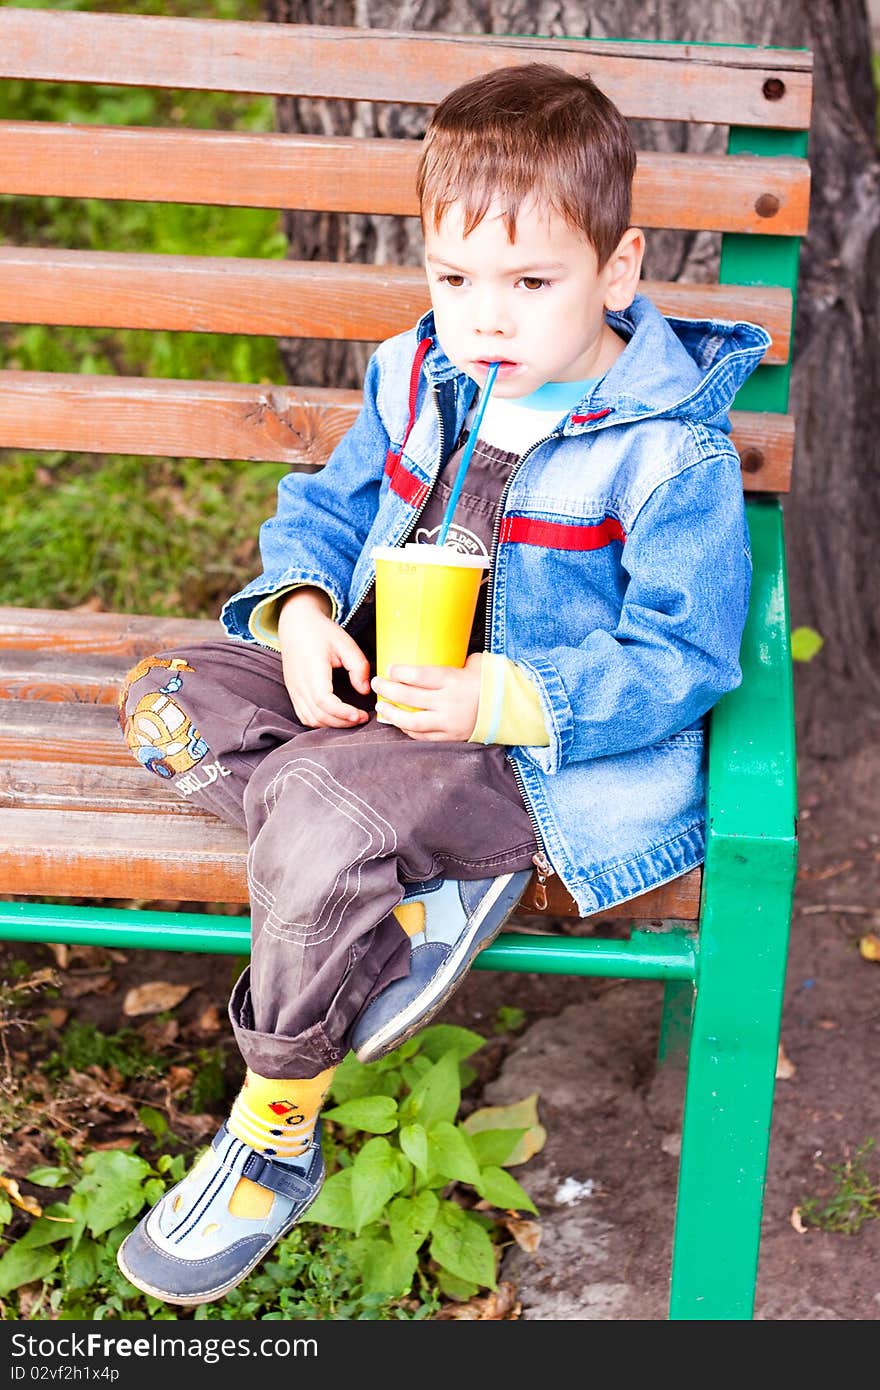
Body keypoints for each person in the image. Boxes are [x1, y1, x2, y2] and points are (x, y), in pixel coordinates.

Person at [115, 61, 767, 1306]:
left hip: (518, 747)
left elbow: (683, 659)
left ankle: (275, 1120)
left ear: (618, 271)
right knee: (164, 691)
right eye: (455, 279)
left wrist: (500, 699)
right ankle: (398, 874)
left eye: (531, 284)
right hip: (380, 705)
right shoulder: (422, 373)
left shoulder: (666, 450)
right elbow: (323, 505)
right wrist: (304, 616)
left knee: (324, 810)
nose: (488, 319)